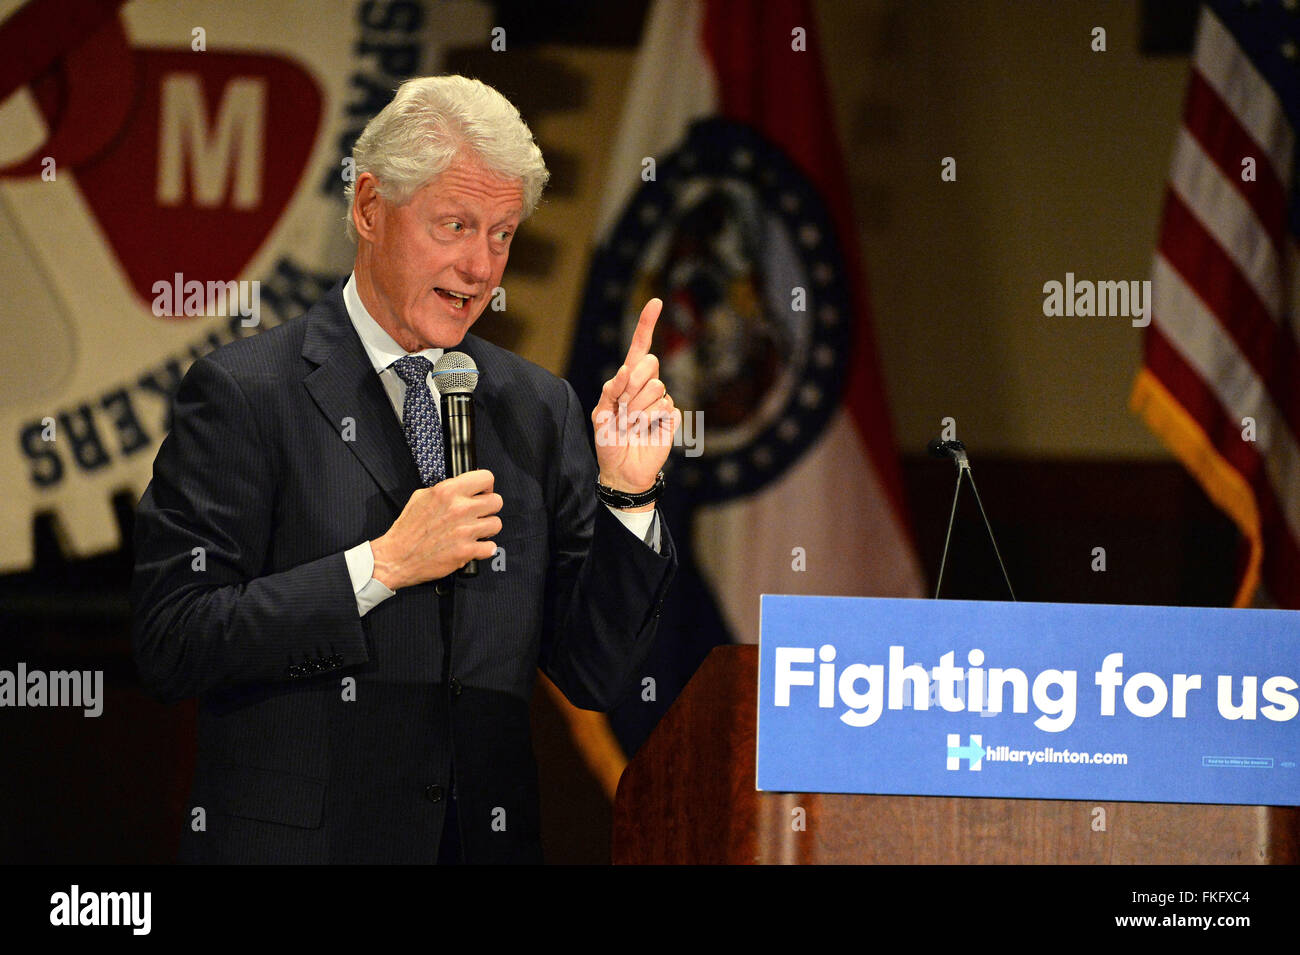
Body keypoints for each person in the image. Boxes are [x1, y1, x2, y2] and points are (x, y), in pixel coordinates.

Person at [130, 75, 679, 864]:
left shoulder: (537, 409)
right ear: (368, 209)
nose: (480, 267)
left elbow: (593, 672)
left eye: (501, 234)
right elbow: (171, 639)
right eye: (455, 225)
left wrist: (628, 491)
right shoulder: (247, 394)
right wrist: (380, 566)